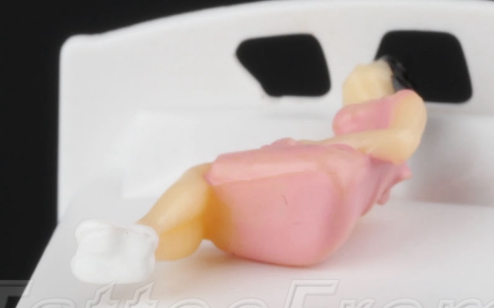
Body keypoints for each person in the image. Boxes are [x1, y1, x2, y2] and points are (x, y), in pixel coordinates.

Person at [71, 56, 426, 283]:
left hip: (327, 173)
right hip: (318, 221)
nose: (353, 77)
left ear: (386, 73)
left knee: (206, 178)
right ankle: (143, 246)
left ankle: (141, 233)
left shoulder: (405, 101)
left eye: (364, 68)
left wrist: (316, 145)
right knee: (208, 217)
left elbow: (402, 141)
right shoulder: (357, 131)